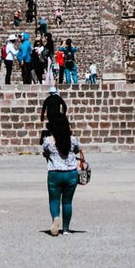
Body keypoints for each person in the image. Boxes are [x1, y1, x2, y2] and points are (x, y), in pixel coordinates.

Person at [40, 96, 85, 236]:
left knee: (54, 200)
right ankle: (66, 229)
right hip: (71, 173)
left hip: (54, 173)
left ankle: (56, 218)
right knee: (67, 202)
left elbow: (44, 153)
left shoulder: (48, 140)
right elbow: (78, 150)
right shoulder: (72, 140)